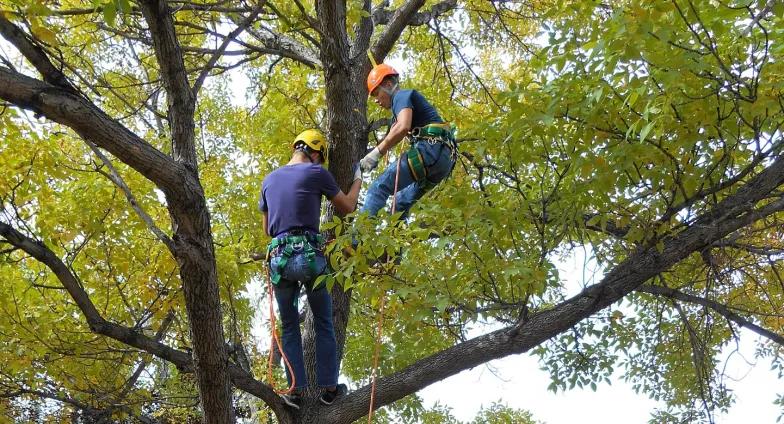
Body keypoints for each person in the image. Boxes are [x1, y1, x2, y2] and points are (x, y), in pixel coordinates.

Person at [258, 129, 361, 409]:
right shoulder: (317, 173)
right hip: (311, 256)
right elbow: (348, 206)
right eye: (319, 157)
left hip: (280, 259)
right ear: (315, 152)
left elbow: (268, 229)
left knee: (289, 325)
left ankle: (295, 390)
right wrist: (359, 177)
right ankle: (329, 389)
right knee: (324, 323)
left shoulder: (268, 181)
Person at [359, 63, 457, 217]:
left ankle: (357, 239)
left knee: (378, 188)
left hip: (430, 149)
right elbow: (392, 136)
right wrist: (370, 156)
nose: (376, 100)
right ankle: (395, 239)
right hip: (444, 160)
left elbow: (403, 127)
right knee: (398, 205)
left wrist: (376, 153)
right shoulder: (397, 113)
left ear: (389, 84)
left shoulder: (401, 96)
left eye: (377, 93)